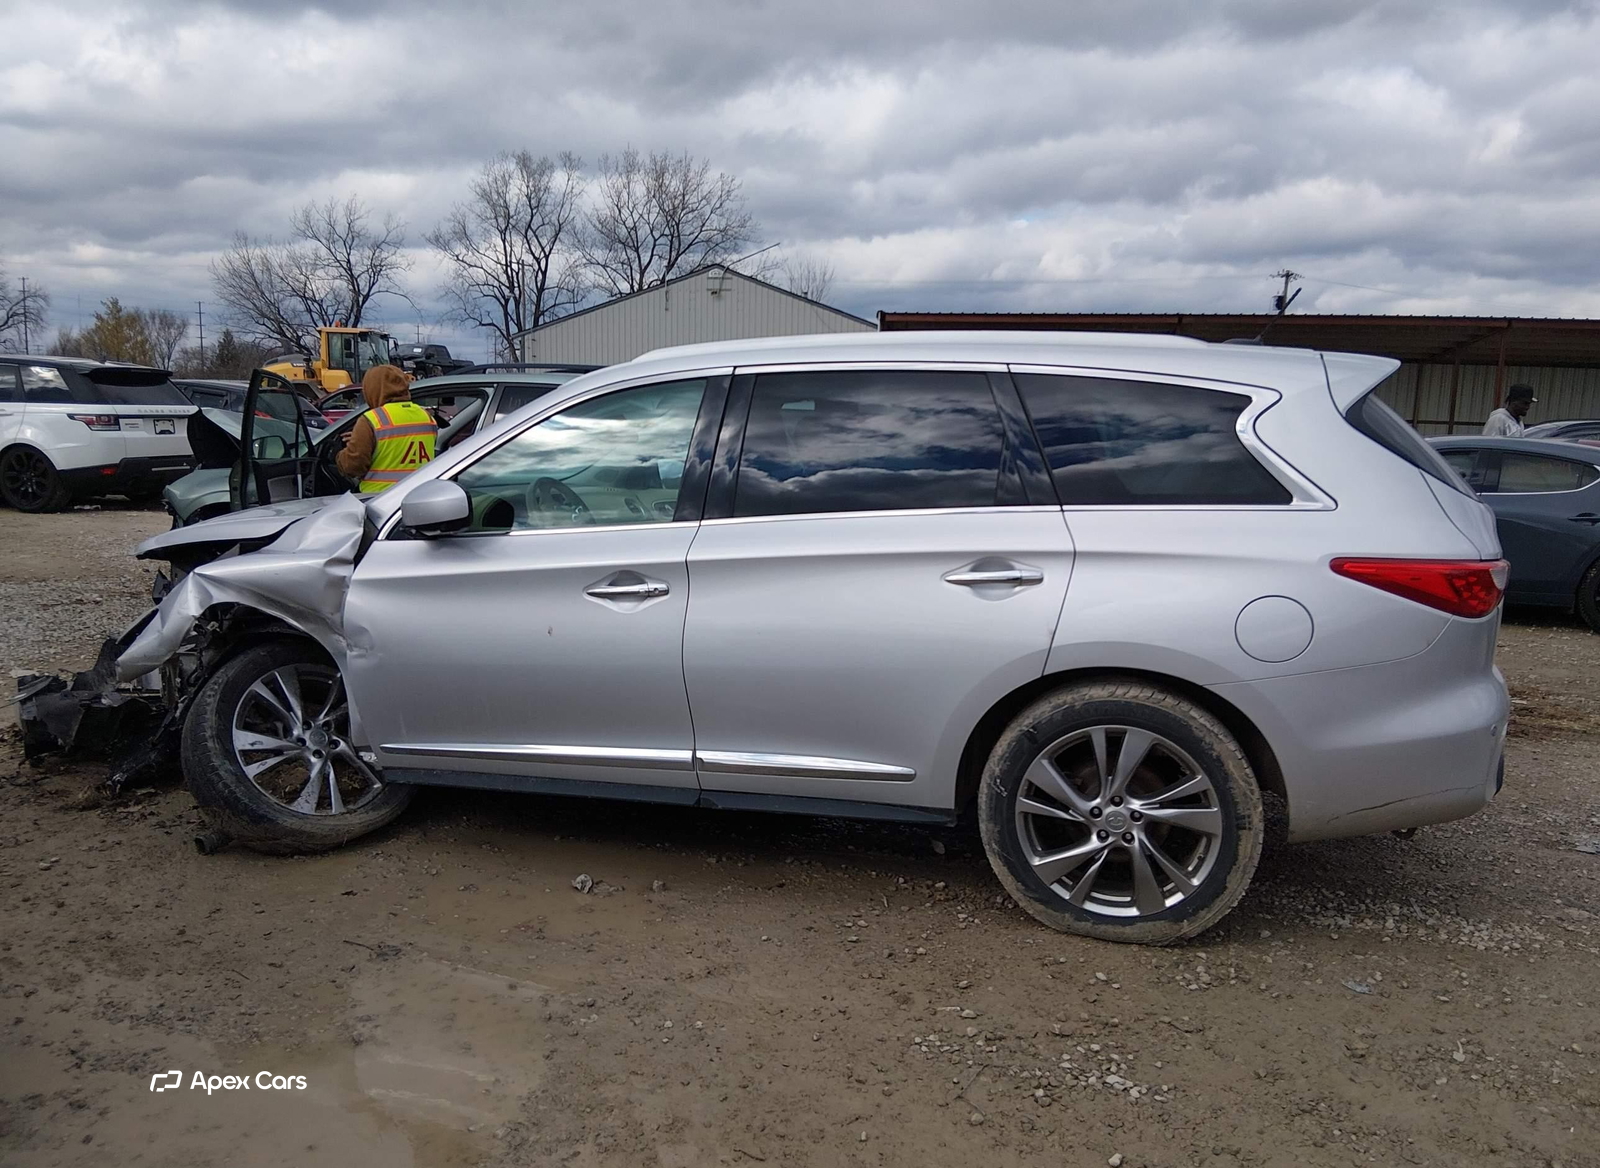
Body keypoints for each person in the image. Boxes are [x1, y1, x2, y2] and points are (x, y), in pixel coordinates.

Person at [335, 365, 437, 492]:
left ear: (373, 389)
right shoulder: (426, 416)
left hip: (380, 500)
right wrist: (368, 441)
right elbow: (405, 445)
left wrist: (343, 455)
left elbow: (354, 466)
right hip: (419, 495)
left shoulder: (371, 420)